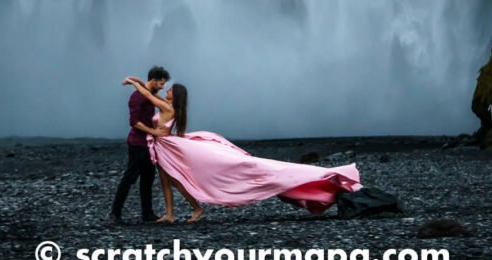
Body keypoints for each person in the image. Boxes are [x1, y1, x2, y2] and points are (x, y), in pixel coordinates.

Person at [121, 75, 361, 223]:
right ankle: (172, 214)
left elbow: (146, 95)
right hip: (164, 147)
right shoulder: (171, 107)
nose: (166, 90)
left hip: (166, 146)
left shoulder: (166, 107)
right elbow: (149, 93)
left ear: (175, 96)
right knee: (167, 181)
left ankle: (195, 208)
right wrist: (140, 82)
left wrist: (133, 82)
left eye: (170, 89)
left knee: (175, 180)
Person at [109, 65, 171, 224]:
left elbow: (144, 85)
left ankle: (147, 213)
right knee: (129, 179)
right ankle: (115, 213)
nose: (163, 87)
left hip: (149, 145)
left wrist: (133, 79)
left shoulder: (150, 94)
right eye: (161, 83)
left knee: (148, 179)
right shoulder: (137, 97)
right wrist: (153, 131)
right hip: (137, 144)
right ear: (154, 80)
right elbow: (134, 122)